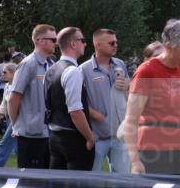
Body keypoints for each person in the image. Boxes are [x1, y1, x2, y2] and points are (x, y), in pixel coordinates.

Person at [122, 19, 180, 175]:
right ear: (168, 46)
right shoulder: (147, 71)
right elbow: (131, 120)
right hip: (154, 153)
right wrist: (135, 161)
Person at [45, 27, 96, 170]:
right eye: (82, 40)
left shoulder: (51, 70)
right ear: (73, 44)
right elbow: (75, 111)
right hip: (74, 138)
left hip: (55, 136)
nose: (85, 44)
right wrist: (90, 137)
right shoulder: (73, 71)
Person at [80, 29, 130, 173]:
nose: (115, 45)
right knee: (91, 180)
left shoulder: (120, 64)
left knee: (122, 180)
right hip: (97, 136)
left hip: (119, 135)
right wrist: (97, 115)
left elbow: (128, 93)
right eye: (111, 42)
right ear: (98, 45)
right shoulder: (83, 70)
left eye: (116, 42)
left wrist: (128, 85)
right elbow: (78, 102)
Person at [9, 24, 57, 169]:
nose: (56, 43)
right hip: (30, 134)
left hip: (48, 133)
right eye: (53, 39)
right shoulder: (28, 64)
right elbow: (14, 98)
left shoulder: (52, 64)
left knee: (46, 181)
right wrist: (16, 125)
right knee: (30, 184)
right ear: (40, 40)